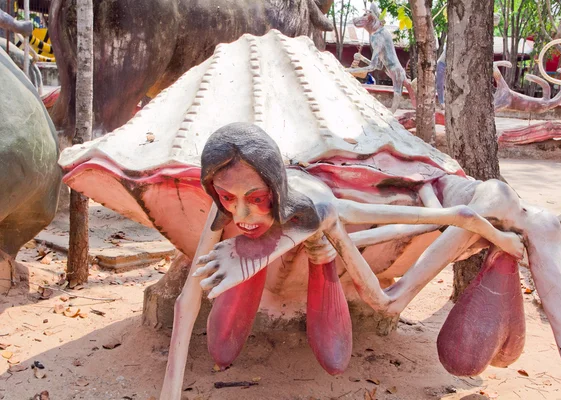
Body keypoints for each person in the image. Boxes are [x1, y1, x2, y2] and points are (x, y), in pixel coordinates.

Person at [159, 122, 526, 399]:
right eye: (226, 197)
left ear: (274, 188)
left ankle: (319, 256)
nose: (239, 210)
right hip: (280, 234)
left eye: (256, 198)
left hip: (325, 230)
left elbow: (456, 216)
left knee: (340, 348)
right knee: (223, 343)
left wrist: (501, 238)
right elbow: (186, 299)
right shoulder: (227, 210)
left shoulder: (319, 208)